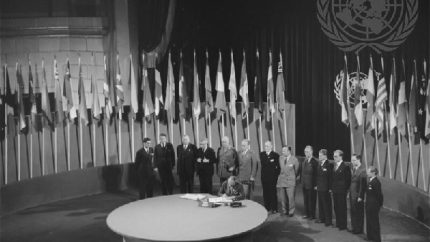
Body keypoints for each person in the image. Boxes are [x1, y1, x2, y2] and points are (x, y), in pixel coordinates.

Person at [332, 150, 351, 230]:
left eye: (336, 156)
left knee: (342, 208)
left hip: (341, 191)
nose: (334, 158)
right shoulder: (334, 165)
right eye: (334, 156)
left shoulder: (345, 167)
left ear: (341, 157)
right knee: (336, 207)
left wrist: (345, 190)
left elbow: (348, 180)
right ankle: (338, 223)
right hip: (335, 190)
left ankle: (343, 225)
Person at [277, 146, 299, 216]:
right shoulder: (280, 158)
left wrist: (292, 177)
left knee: (291, 198)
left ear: (289, 151)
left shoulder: (294, 159)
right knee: (283, 198)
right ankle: (284, 210)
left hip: (290, 181)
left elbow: (296, 170)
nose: (282, 152)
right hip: (282, 181)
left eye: (284, 151)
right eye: (282, 151)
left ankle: (291, 211)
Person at [260, 141, 280, 214]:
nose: (266, 147)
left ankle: (274, 208)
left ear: (271, 146)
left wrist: (275, 177)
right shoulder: (262, 154)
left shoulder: (276, 155)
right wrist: (270, 160)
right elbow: (264, 163)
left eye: (268, 146)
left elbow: (278, 168)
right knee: (265, 193)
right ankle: (267, 207)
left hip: (272, 178)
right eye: (265, 146)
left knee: (273, 193)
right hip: (264, 178)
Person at [349, 154, 367, 234]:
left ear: (358, 160)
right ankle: (354, 227)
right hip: (352, 194)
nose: (352, 162)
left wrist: (360, 196)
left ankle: (359, 229)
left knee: (358, 212)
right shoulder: (354, 169)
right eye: (352, 160)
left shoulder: (362, 170)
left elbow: (362, 185)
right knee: (353, 211)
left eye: (354, 160)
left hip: (357, 195)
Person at [316, 149, 333, 226]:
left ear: (325, 156)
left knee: (326, 205)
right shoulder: (320, 163)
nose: (319, 157)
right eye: (319, 155)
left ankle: (328, 220)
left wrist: (330, 188)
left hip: (326, 188)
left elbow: (330, 177)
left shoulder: (328, 164)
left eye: (320, 155)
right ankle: (321, 218)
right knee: (321, 204)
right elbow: (318, 177)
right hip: (320, 187)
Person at [365, 166, 383, 242]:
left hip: (374, 206)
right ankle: (370, 237)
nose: (367, 173)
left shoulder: (376, 182)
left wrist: (379, 205)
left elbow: (379, 195)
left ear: (373, 172)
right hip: (369, 205)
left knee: (374, 222)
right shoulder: (370, 180)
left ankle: (376, 239)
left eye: (368, 172)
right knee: (369, 221)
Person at [301, 145, 318, 219]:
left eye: (307, 152)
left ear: (311, 152)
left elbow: (316, 175)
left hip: (311, 184)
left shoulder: (314, 162)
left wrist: (315, 185)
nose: (306, 153)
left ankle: (312, 215)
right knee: (306, 200)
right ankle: (306, 213)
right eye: (305, 152)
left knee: (311, 200)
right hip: (304, 184)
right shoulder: (304, 160)